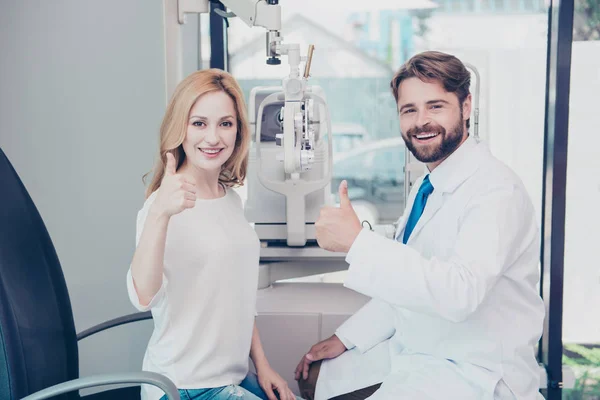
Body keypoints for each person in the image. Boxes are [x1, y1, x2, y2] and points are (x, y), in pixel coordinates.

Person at [294, 51, 546, 399]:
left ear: (466, 106)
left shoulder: (495, 191)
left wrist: (358, 243)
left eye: (436, 106)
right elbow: (409, 284)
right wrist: (345, 338)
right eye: (409, 110)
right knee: (314, 379)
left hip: (475, 369)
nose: (421, 121)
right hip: (426, 348)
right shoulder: (427, 186)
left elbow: (459, 294)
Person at [126, 69, 296, 400]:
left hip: (232, 375)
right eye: (199, 123)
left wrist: (262, 365)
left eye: (225, 124)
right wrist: (160, 212)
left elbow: (235, 297)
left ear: (238, 131)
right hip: (184, 385)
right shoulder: (162, 206)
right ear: (181, 129)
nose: (213, 138)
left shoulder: (230, 199)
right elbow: (142, 297)